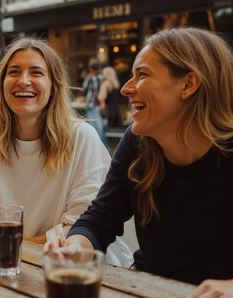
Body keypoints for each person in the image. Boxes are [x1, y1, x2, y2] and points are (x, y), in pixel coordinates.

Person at [45, 28, 233, 297]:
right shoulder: (137, 144)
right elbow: (99, 220)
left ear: (188, 84)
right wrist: (76, 246)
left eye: (142, 74)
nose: (125, 88)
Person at [0, 38, 131, 264]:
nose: (23, 81)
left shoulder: (82, 138)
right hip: (4, 265)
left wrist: (11, 246)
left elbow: (84, 226)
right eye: (14, 72)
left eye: (36, 73)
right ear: (2, 83)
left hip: (74, 270)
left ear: (54, 85)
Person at [83, 58, 109, 148]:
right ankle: (105, 150)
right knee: (101, 130)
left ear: (90, 68)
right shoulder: (103, 78)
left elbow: (84, 89)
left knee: (96, 131)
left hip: (92, 106)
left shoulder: (90, 78)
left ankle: (103, 151)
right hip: (100, 106)